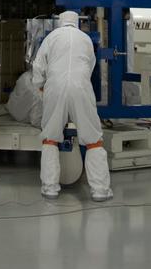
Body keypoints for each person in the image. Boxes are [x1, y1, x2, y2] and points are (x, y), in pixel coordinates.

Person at [31, 11, 112, 202]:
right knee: (93, 139)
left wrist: (39, 85)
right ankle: (100, 190)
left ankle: (50, 188)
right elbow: (90, 65)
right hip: (81, 88)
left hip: (55, 88)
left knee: (50, 137)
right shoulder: (85, 39)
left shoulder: (51, 37)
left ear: (60, 22)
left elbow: (38, 65)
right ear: (77, 23)